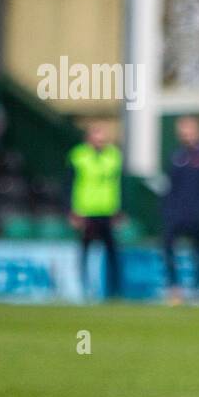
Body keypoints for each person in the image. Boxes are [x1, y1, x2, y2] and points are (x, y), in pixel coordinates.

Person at [162, 116, 199, 304]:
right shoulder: (177, 156)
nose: (185, 135)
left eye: (188, 130)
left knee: (198, 252)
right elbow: (171, 186)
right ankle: (173, 288)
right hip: (176, 213)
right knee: (168, 248)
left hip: (197, 213)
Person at [67, 120, 123, 299]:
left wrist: (119, 210)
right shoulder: (78, 156)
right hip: (85, 211)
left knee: (112, 253)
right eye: (96, 138)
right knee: (85, 251)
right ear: (88, 138)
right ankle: (83, 289)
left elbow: (120, 185)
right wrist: (71, 210)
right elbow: (67, 185)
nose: (100, 142)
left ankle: (114, 291)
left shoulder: (114, 155)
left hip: (107, 211)